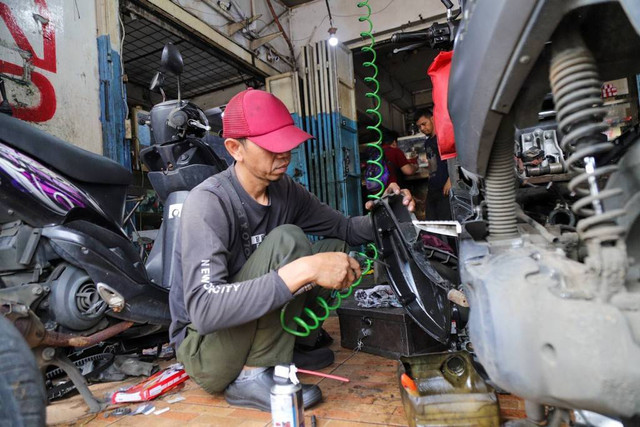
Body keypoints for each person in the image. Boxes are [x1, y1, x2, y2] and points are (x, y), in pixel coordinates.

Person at [169, 88, 414, 412]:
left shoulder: (284, 190)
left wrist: (389, 213)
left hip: (244, 331)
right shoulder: (209, 203)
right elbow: (205, 309)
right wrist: (305, 269)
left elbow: (344, 229)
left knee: (333, 249)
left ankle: (284, 349)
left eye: (286, 142)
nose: (284, 153)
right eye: (271, 145)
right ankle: (251, 376)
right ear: (234, 148)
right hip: (204, 348)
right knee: (290, 242)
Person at [415, 109, 451, 221]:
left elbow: (455, 158)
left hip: (445, 186)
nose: (422, 129)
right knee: (431, 221)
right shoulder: (427, 142)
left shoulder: (443, 137)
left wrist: (451, 180)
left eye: (424, 124)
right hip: (432, 188)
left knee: (447, 223)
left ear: (432, 118)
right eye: (419, 126)